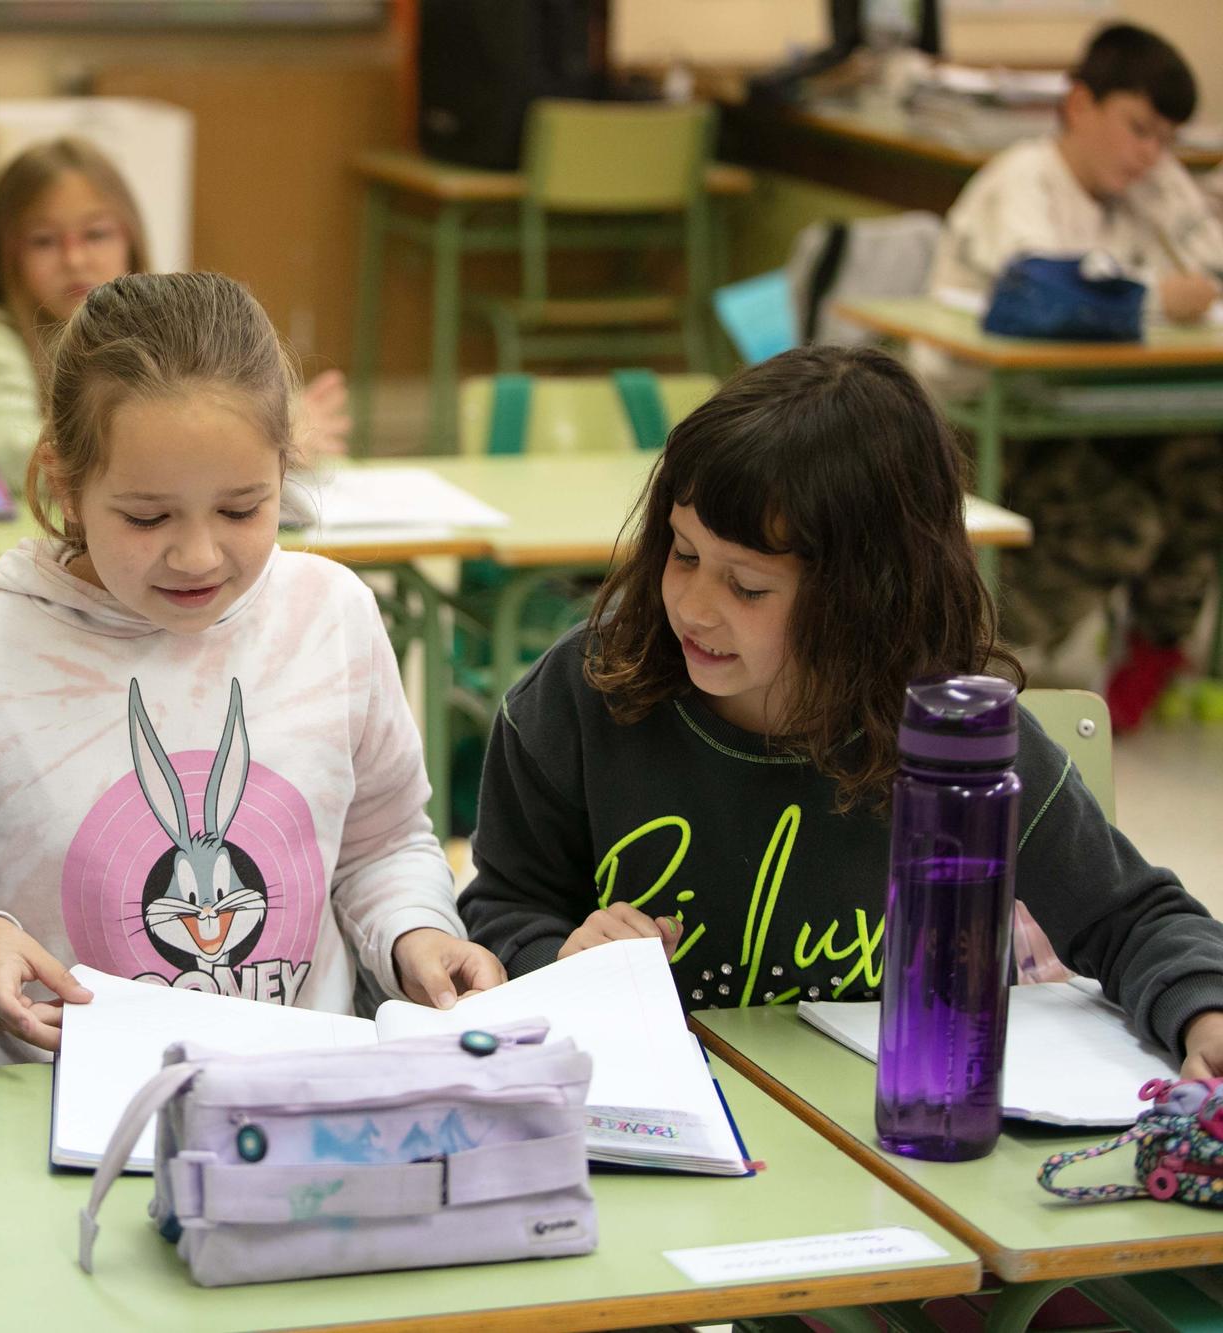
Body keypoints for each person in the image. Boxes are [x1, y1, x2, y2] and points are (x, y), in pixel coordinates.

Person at [461, 346, 1223, 1075]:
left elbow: (1132, 917)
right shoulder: (584, 692)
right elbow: (502, 904)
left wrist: (1205, 1013)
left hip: (889, 1153)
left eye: (748, 587)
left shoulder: (953, 737)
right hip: (662, 1129)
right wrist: (558, 960)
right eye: (682, 553)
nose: (691, 605)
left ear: (866, 597)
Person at [0, 271, 501, 1065]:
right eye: (147, 516)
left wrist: (417, 933)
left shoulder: (333, 615)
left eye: (241, 508)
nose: (197, 555)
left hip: (300, 1094)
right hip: (55, 1122)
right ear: (65, 483)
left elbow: (383, 843)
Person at [921, 22, 1223, 729]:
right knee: (1125, 522)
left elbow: (1207, 264)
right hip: (986, 420)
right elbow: (1045, 299)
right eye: (1138, 129)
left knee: (1207, 464)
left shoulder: (1151, 183)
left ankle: (1157, 650)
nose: (1150, 154)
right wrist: (1155, 298)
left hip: (1095, 410)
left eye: (1166, 139)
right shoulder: (1022, 183)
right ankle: (976, 657)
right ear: (1079, 104)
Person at [0, 137, 349, 494]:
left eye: (96, 234)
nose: (75, 259)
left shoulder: (167, 329)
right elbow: (1, 454)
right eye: (44, 241)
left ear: (130, 238)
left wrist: (280, 434)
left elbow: (229, 416)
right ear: (5, 254)